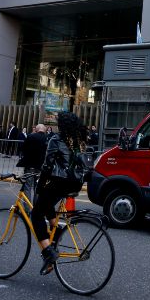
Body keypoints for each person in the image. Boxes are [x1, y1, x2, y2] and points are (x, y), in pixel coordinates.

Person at [32, 111, 88, 276]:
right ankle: (55, 230)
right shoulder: (79, 140)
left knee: (36, 213)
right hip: (75, 183)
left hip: (59, 181)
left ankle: (48, 252)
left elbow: (47, 165)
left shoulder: (56, 139)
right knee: (47, 201)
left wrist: (39, 185)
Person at [17, 124, 48, 205]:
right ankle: (36, 207)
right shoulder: (48, 138)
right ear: (44, 130)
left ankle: (27, 209)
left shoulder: (31, 136)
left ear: (37, 129)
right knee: (37, 188)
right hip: (41, 167)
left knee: (27, 187)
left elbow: (24, 149)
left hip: (30, 166)